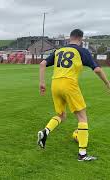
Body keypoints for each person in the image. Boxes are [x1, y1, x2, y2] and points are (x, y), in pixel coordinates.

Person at [37, 29, 110, 161]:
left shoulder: (59, 50)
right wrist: (107, 84)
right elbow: (98, 69)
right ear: (81, 39)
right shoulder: (81, 51)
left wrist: (42, 83)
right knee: (82, 117)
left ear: (69, 38)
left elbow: (42, 64)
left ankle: (45, 131)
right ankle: (82, 154)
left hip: (55, 84)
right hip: (69, 84)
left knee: (61, 115)